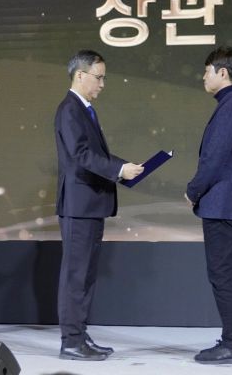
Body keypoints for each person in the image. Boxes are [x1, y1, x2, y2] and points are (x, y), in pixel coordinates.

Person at [54, 50, 144, 361]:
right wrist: (119, 169)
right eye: (99, 77)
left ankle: (79, 335)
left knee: (86, 275)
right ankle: (71, 341)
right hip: (78, 206)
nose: (102, 84)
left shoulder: (83, 110)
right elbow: (82, 155)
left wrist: (124, 167)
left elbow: (95, 155)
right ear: (80, 75)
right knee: (76, 276)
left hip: (89, 206)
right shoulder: (70, 109)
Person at [185, 46, 232, 364]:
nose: (203, 77)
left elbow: (213, 160)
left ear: (222, 73)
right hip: (227, 205)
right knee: (228, 274)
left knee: (223, 275)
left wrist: (193, 191)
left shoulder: (231, 108)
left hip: (223, 206)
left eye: (207, 71)